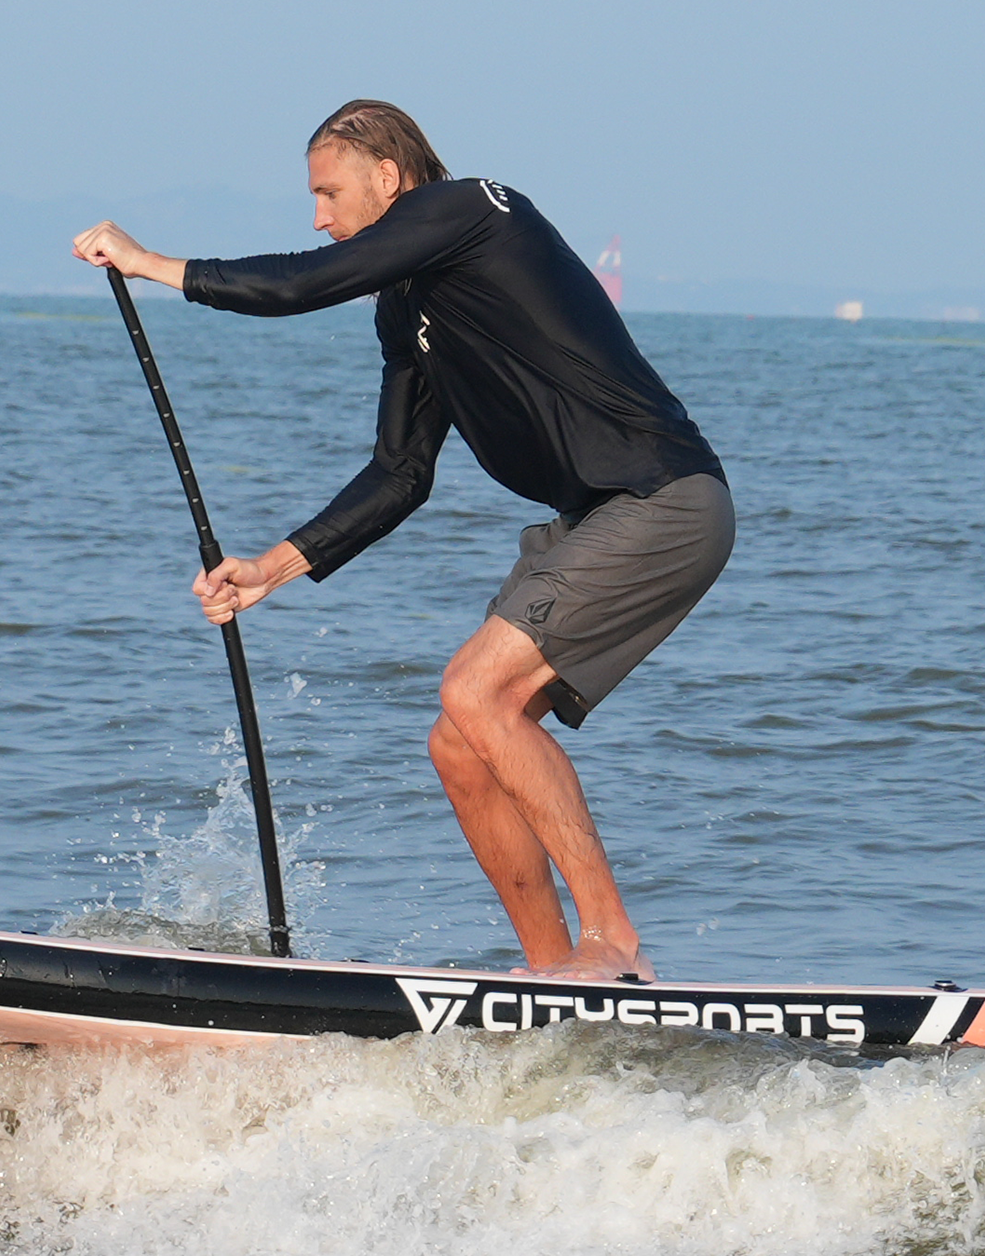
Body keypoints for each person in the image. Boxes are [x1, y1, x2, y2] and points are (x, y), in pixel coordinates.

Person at [73, 100, 732, 981]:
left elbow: (300, 284)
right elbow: (400, 474)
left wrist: (152, 264)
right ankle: (550, 976)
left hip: (661, 498)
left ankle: (613, 943)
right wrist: (272, 566)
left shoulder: (470, 211)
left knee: (474, 690)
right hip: (595, 520)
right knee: (459, 742)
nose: (319, 217)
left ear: (387, 175)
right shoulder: (408, 307)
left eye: (328, 192)